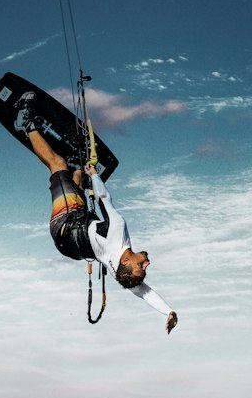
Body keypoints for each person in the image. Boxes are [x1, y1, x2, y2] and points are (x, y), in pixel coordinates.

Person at [14, 94, 178, 334]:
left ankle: (26, 122)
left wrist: (95, 175)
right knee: (77, 182)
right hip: (71, 245)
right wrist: (169, 311)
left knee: (57, 164)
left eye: (142, 266)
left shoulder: (118, 232)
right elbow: (145, 292)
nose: (147, 263)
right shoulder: (119, 273)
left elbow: (104, 198)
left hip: (65, 223)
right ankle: (77, 172)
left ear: (126, 262)